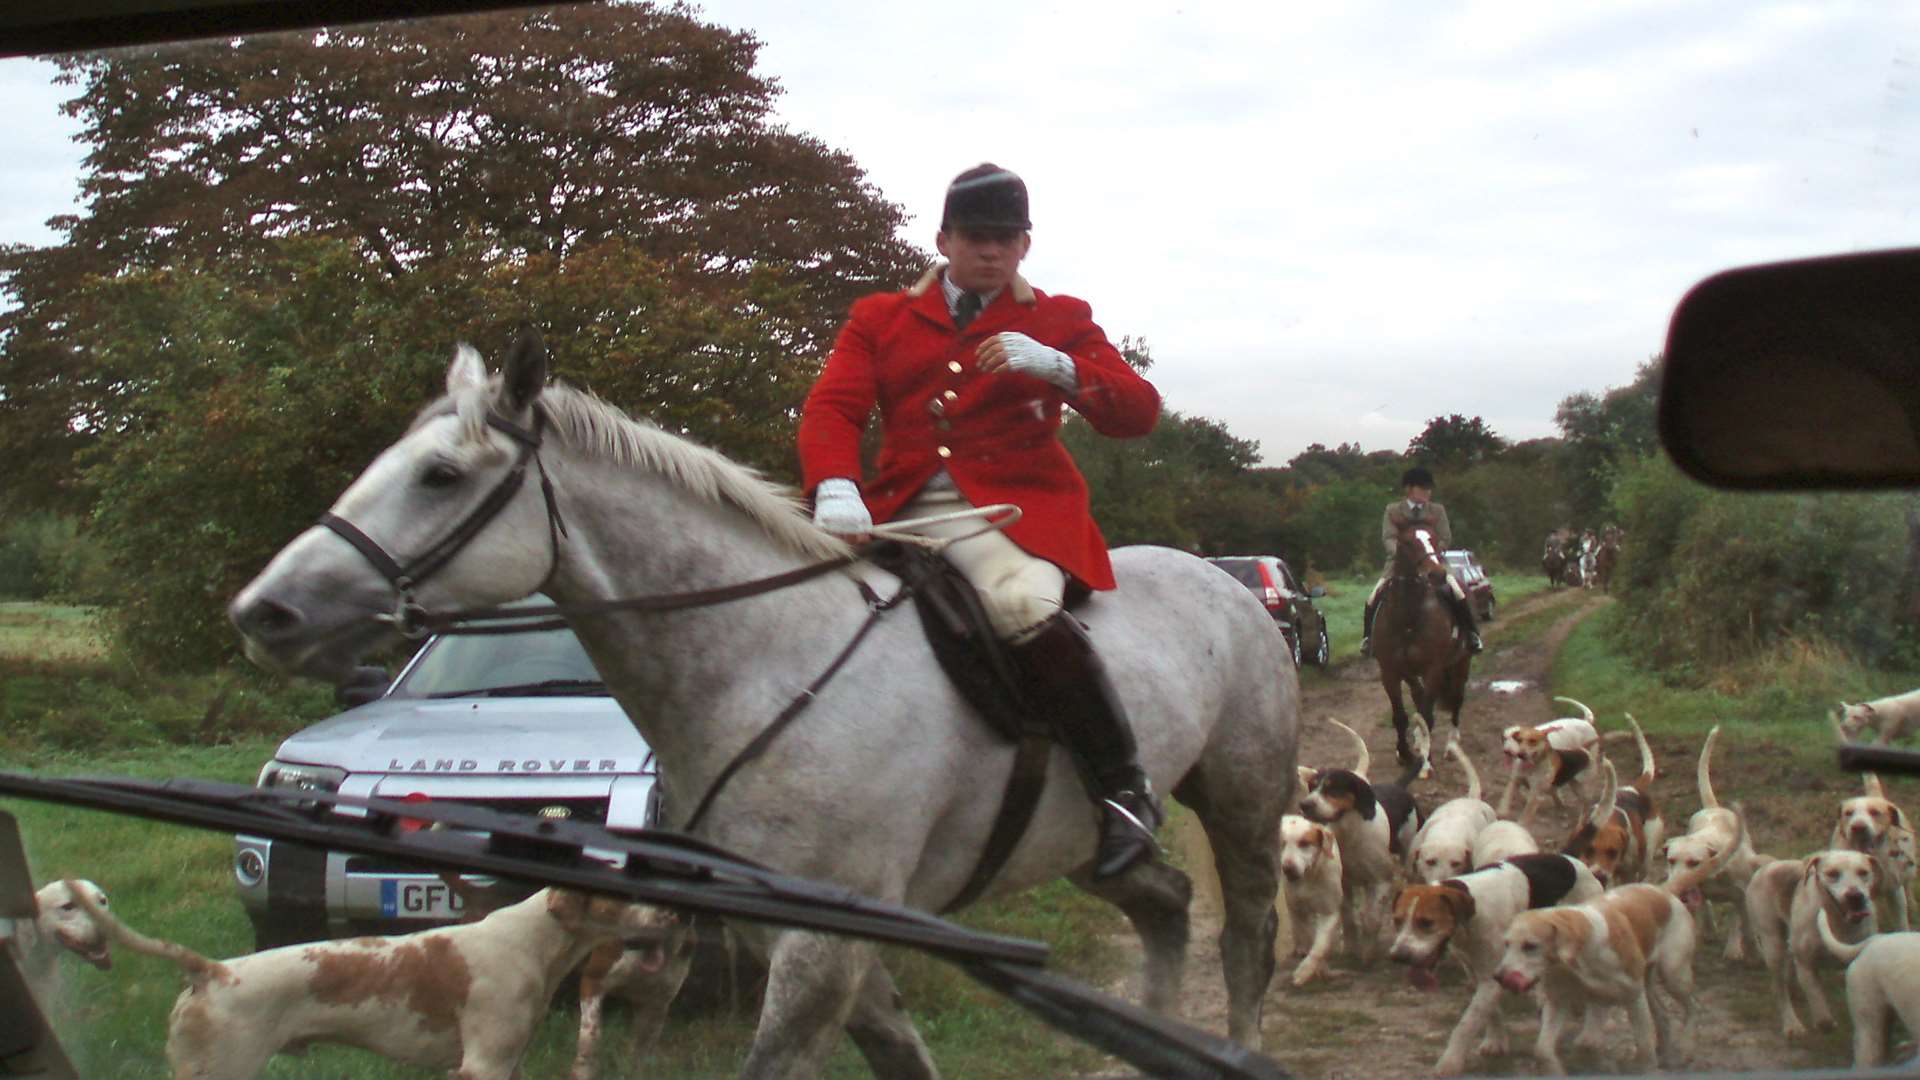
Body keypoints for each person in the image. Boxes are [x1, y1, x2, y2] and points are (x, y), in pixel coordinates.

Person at [796, 163, 1164, 879]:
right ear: (944, 239)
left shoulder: (1060, 319)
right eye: (974, 237)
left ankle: (1123, 790)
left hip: (1012, 516)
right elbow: (835, 407)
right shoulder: (880, 317)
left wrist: (1059, 367)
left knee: (1021, 604)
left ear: (1025, 246)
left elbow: (1138, 412)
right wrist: (836, 482)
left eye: (1004, 239)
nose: (990, 252)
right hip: (899, 511)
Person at [1360, 466, 1484, 657]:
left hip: (1433, 561)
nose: (1428, 492)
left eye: (1429, 488)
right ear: (1409, 489)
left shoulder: (1437, 510)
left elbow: (1445, 537)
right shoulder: (1392, 510)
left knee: (1458, 592)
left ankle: (1471, 634)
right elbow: (1388, 538)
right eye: (1423, 488)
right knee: (1373, 597)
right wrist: (1404, 555)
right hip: (1398, 564)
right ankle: (1369, 639)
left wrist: (1430, 554)